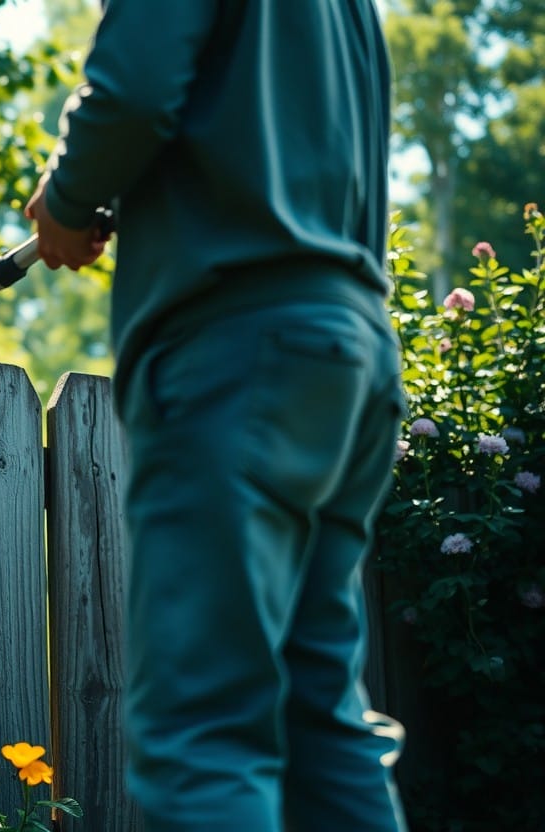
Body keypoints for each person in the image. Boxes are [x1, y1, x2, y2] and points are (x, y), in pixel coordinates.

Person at [24, 2, 409, 830]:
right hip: (351, 351)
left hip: (239, 351)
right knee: (322, 721)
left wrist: (68, 195)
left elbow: (133, 94)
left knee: (204, 733)